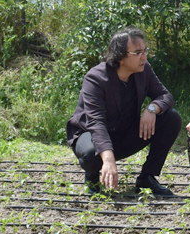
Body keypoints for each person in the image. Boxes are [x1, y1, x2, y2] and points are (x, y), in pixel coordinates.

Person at [66, 27, 182, 196]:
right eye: (138, 52)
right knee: (91, 154)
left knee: (171, 118)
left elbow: (165, 96)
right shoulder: (96, 78)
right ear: (121, 56)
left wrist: (151, 109)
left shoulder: (144, 70)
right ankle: (92, 178)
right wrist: (107, 159)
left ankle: (146, 178)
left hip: (123, 132)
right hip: (89, 133)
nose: (144, 56)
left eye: (145, 51)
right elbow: (96, 123)